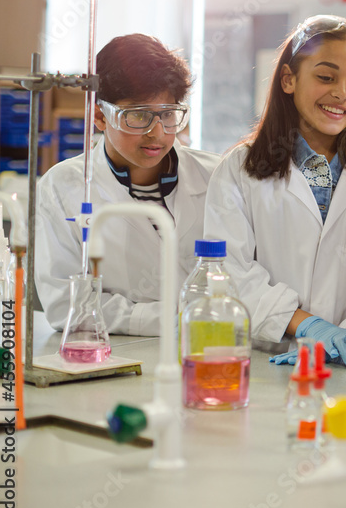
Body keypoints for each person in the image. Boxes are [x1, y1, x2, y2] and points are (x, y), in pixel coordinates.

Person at [204, 15, 346, 368]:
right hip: (266, 364)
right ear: (288, 79)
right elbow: (227, 271)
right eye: (326, 77)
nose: (340, 94)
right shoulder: (240, 169)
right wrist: (308, 326)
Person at [36, 34, 220, 335]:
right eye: (138, 115)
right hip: (117, 354)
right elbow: (66, 305)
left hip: (208, 349)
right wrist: (170, 320)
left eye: (169, 114)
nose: (157, 132)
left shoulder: (216, 177)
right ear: (99, 115)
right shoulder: (61, 187)